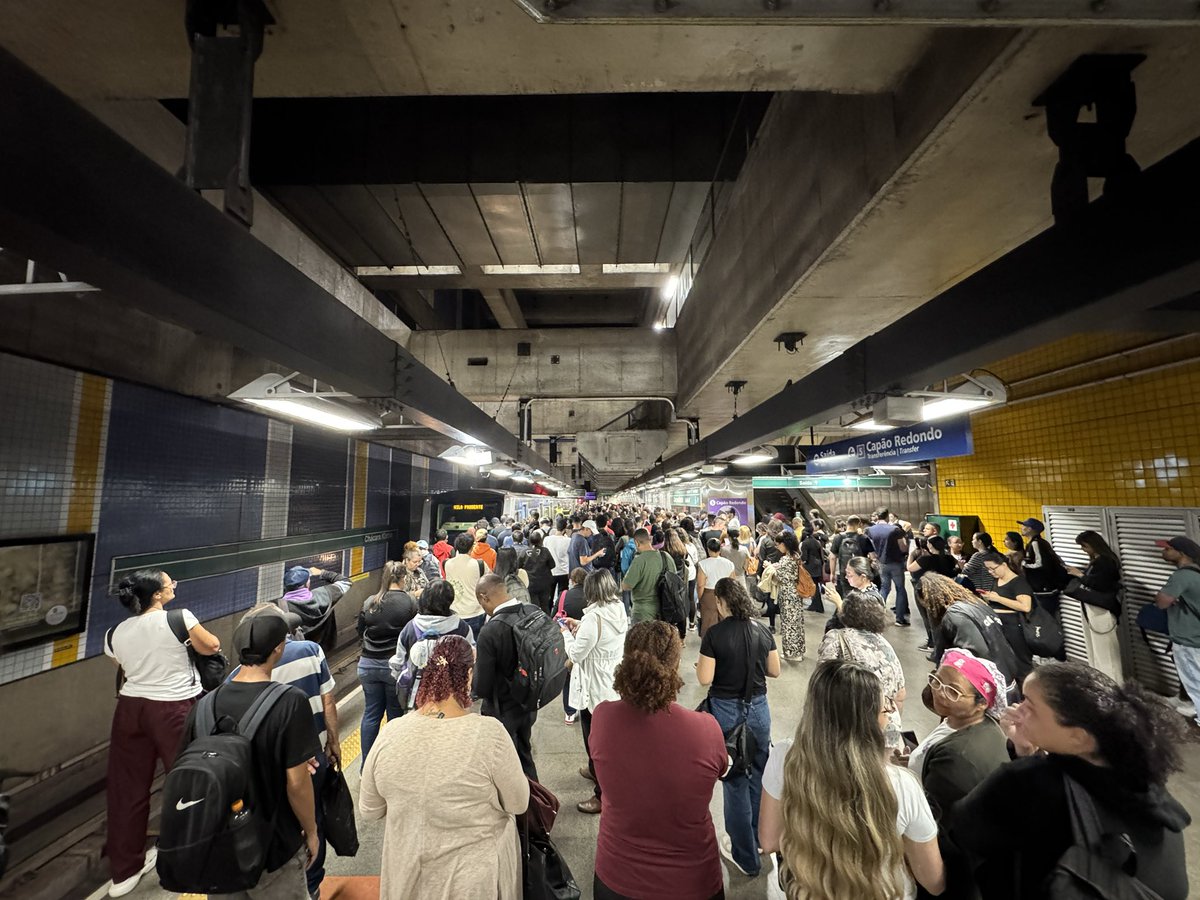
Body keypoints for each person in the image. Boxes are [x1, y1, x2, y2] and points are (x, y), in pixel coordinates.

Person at [954, 662, 1191, 900]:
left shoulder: (1024, 781)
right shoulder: (1146, 782)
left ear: (1078, 737)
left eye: (1030, 706)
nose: (1018, 710)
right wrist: (1025, 751)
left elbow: (963, 829)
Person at [759, 659, 945, 900]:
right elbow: (934, 882)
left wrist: (817, 840)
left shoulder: (785, 758)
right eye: (884, 709)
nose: (889, 715)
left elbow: (769, 839)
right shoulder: (901, 785)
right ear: (866, 721)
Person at [360, 636, 529, 900]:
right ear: (469, 675)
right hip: (474, 882)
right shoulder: (489, 734)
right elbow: (518, 803)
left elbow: (370, 810)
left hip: (409, 880)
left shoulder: (390, 733)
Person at [179, 611, 320, 900]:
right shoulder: (290, 701)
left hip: (217, 846)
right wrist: (312, 830)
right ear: (278, 649)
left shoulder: (204, 706)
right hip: (273, 845)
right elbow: (296, 783)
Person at [102, 571, 221, 898]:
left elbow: (123, 666)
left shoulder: (114, 632)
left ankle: (123, 873)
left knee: (127, 789)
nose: (174, 587)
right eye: (171, 584)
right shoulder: (179, 618)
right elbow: (212, 645)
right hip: (173, 708)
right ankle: (199, 852)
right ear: (156, 594)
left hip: (130, 709)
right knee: (191, 780)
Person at [590, 621, 727, 900]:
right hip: (692, 881)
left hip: (617, 877)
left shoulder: (602, 718)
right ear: (675, 666)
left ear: (627, 660)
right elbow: (721, 768)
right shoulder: (705, 729)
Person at [231, 604, 341, 900]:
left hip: (261, 777)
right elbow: (328, 701)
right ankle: (312, 885)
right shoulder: (310, 653)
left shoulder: (227, 686)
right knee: (310, 822)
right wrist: (334, 741)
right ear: (278, 643)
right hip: (309, 762)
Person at [697, 580, 780, 877]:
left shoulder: (715, 635)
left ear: (720, 602)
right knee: (759, 774)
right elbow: (775, 670)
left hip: (726, 712)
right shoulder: (762, 630)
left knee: (734, 781)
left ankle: (744, 857)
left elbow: (705, 679)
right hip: (759, 709)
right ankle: (760, 839)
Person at [559, 569, 628, 814]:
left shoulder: (594, 617)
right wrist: (580, 626)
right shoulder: (618, 609)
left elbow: (577, 654)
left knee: (595, 740)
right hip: (612, 680)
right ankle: (593, 768)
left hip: (594, 685)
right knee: (601, 736)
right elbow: (601, 638)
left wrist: (567, 633)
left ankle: (601, 794)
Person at [819, 588, 905, 750]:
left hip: (854, 722)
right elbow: (900, 695)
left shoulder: (836, 637)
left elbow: (822, 681)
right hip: (888, 726)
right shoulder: (885, 644)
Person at [473, 574, 540, 780]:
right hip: (529, 701)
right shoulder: (531, 612)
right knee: (524, 751)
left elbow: (482, 686)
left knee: (503, 765)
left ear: (485, 597)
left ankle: (516, 808)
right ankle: (537, 803)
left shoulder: (491, 630)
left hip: (501, 709)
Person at [356, 561, 418, 767]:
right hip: (394, 667)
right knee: (394, 715)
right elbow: (414, 634)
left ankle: (367, 766)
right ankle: (391, 765)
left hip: (367, 664)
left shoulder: (370, 602)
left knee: (371, 714)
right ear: (404, 578)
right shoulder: (409, 602)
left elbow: (360, 630)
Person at [921, 573, 1021, 693]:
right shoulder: (978, 604)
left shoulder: (954, 615)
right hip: (1008, 673)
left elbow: (973, 654)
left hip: (990, 686)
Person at [1062, 529, 1124, 681]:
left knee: (1106, 650)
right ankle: (1100, 680)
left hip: (1102, 609)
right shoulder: (1097, 560)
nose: (1083, 550)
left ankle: (1113, 683)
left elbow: (1100, 584)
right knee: (1096, 648)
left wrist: (1080, 575)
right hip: (1092, 607)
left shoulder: (1106, 562)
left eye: (1084, 546)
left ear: (1093, 545)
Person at [1154, 535, 1200, 724]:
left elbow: (1162, 602)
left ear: (1181, 553)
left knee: (1196, 683)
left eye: (1167, 549)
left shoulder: (1182, 576)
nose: (1163, 552)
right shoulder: (1196, 573)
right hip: (1195, 637)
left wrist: (1165, 598)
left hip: (1189, 639)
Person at [978, 555, 1034, 683]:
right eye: (988, 570)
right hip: (999, 626)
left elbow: (1025, 606)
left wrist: (997, 599)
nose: (991, 572)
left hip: (1014, 626)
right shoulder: (997, 580)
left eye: (993, 569)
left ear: (1004, 565)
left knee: (1021, 663)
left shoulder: (1019, 582)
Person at [281, 565, 351, 654]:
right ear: (307, 584)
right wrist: (322, 573)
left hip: (297, 654)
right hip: (321, 650)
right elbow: (346, 581)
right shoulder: (324, 595)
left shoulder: (280, 607)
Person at [868, 508, 911, 626]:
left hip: (881, 562)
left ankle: (878, 615)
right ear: (887, 516)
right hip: (896, 562)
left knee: (884, 588)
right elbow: (903, 542)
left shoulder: (871, 530)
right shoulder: (894, 529)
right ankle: (900, 618)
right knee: (900, 589)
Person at [621, 528, 670, 625]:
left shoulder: (639, 560)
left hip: (642, 612)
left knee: (641, 639)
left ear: (637, 542)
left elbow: (626, 586)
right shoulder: (665, 556)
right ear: (650, 539)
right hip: (665, 609)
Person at [772, 530, 807, 661]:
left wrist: (771, 568)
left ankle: (791, 653)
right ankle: (799, 650)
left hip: (788, 594)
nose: (777, 547)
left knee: (788, 624)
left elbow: (781, 577)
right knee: (797, 623)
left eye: (778, 544)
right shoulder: (796, 555)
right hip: (796, 594)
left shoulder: (786, 559)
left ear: (784, 544)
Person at [444, 532, 488, 637]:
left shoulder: (447, 563)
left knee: (455, 647)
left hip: (454, 612)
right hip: (476, 612)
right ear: (472, 547)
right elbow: (489, 582)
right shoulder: (479, 564)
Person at [695, 537, 735, 636]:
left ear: (708, 549)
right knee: (725, 619)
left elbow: (700, 585)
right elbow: (733, 581)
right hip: (725, 593)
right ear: (719, 549)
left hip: (709, 595)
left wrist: (700, 598)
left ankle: (709, 644)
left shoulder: (703, 564)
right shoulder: (729, 563)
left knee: (709, 622)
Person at [1017, 517, 1068, 593]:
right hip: (1039, 584)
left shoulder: (1036, 543)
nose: (1022, 528)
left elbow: (1041, 564)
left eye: (1024, 526)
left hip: (1043, 586)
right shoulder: (1036, 542)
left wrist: (1024, 564)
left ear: (1030, 529)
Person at [830, 515, 872, 596]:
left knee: (846, 594)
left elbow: (832, 557)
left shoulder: (838, 537)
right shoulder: (864, 538)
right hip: (860, 572)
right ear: (859, 524)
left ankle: (847, 607)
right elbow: (873, 556)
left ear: (846, 523)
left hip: (844, 572)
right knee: (861, 594)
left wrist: (832, 573)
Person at [519, 529, 556, 613]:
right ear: (540, 540)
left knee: (533, 606)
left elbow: (518, 567)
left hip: (530, 583)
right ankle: (548, 623)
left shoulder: (524, 552)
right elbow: (552, 565)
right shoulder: (545, 551)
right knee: (545, 605)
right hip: (545, 582)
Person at [800, 526, 826, 613]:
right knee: (815, 585)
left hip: (810, 567)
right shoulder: (817, 542)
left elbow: (804, 557)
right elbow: (821, 555)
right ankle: (815, 605)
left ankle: (817, 606)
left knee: (812, 586)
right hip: (818, 565)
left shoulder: (805, 543)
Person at [545, 517, 572, 598]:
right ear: (565, 529)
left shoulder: (547, 539)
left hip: (551, 571)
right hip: (564, 571)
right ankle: (560, 610)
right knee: (562, 596)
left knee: (549, 596)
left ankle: (549, 610)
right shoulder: (568, 540)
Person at [720, 527, 751, 591]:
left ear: (728, 536)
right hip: (740, 577)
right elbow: (745, 567)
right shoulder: (744, 549)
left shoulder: (723, 550)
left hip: (728, 577)